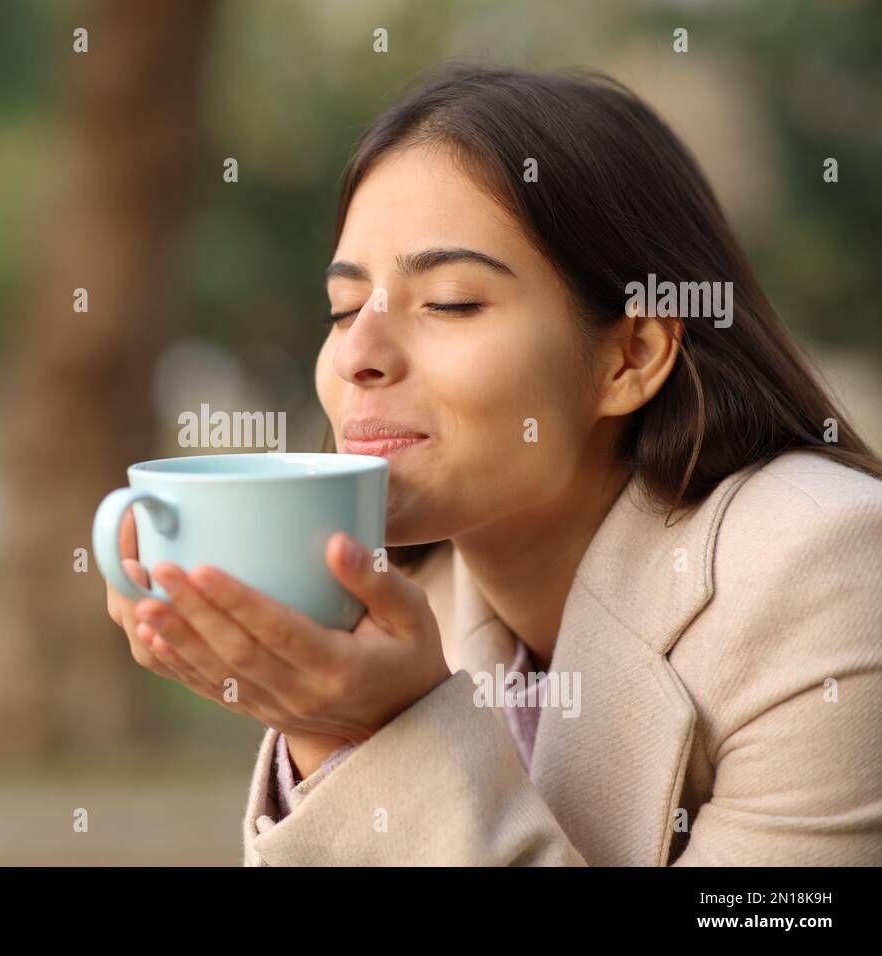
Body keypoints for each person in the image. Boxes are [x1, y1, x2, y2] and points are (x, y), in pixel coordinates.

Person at [104, 64, 882, 866]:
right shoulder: (405, 605)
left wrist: (383, 733)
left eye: (448, 302)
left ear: (631, 356)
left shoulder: (826, 569)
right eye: (343, 309)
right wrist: (324, 727)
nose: (357, 357)